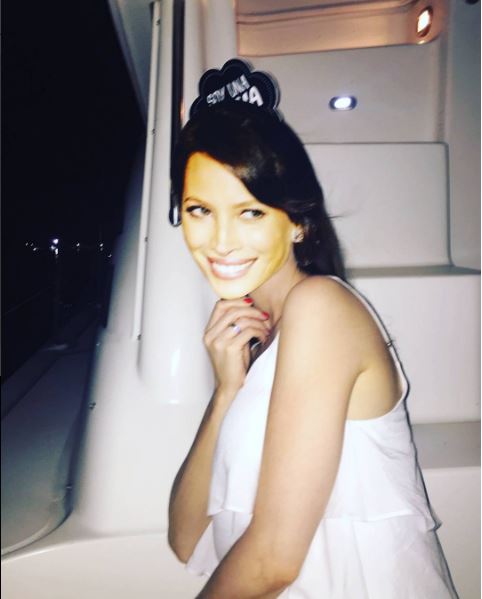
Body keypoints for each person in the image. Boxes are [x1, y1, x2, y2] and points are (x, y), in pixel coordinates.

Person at [168, 102, 458, 598]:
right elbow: (186, 538)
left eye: (250, 212)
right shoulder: (260, 335)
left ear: (297, 223)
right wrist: (225, 393)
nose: (220, 241)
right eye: (201, 210)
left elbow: (274, 560)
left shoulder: (320, 307)